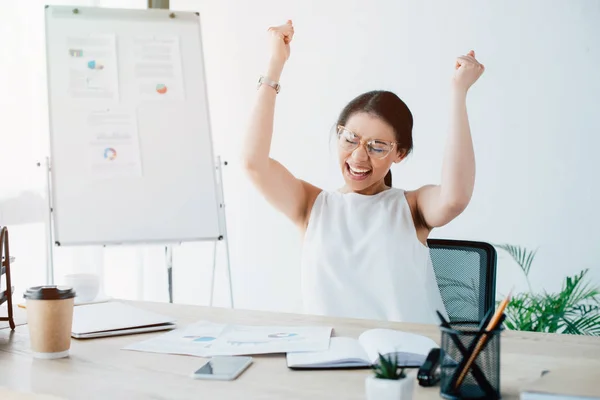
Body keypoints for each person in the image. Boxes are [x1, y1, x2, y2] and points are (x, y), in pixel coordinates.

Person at [242, 20, 484, 324]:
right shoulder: (311, 205)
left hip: (404, 363)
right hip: (330, 361)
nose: (359, 156)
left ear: (400, 153)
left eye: (377, 146)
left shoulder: (412, 208)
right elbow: (253, 162)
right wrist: (275, 63)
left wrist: (458, 93)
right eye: (350, 138)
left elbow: (454, 197)